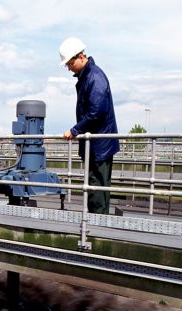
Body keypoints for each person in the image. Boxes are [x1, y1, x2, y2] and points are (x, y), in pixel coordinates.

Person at [59, 37, 122, 215]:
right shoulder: (88, 76)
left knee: (97, 187)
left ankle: (98, 228)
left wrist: (75, 130)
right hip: (95, 143)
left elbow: (96, 112)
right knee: (95, 186)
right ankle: (96, 225)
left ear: (80, 57)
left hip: (100, 144)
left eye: (69, 63)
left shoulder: (94, 77)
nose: (68, 67)